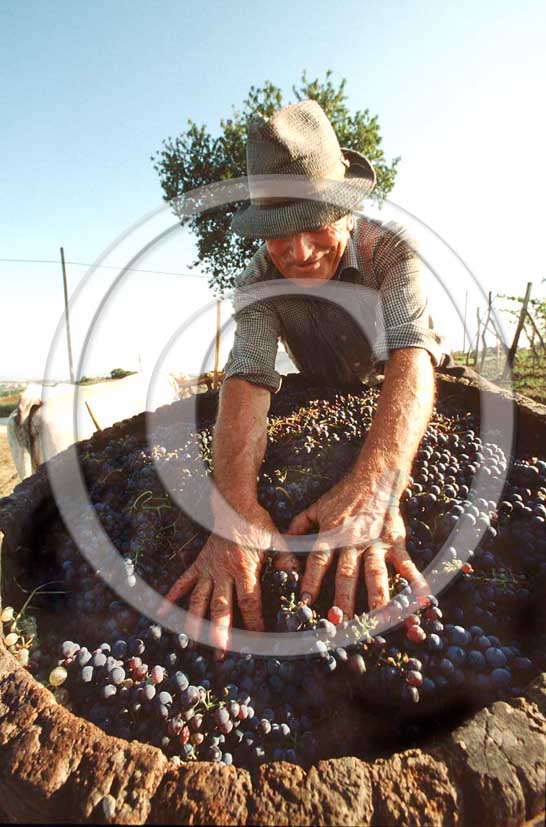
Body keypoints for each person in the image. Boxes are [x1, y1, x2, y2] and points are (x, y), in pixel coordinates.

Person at [162, 100, 447, 651]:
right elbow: (246, 379)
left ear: (345, 209)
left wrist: (376, 484)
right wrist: (236, 507)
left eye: (313, 223)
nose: (297, 251)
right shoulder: (257, 284)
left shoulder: (390, 252)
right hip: (323, 393)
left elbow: (411, 354)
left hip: (393, 392)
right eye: (276, 232)